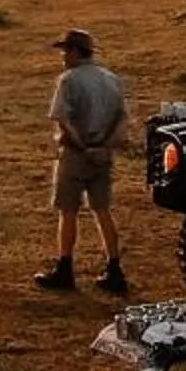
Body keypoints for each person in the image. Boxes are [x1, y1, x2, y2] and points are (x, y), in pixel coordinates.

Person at [34, 28, 130, 294]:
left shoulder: (69, 80)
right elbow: (123, 119)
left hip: (76, 155)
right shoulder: (111, 79)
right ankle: (114, 268)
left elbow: (63, 121)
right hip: (104, 154)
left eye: (65, 51)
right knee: (102, 210)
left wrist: (83, 147)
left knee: (68, 210)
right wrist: (105, 146)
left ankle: (65, 268)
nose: (63, 57)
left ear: (75, 52)